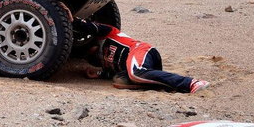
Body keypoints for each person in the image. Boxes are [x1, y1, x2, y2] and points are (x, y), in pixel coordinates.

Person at [79, 21, 209, 93]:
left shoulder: (110, 33)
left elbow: (89, 26)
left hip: (140, 50)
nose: (93, 53)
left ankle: (191, 82)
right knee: (119, 80)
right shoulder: (102, 62)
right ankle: (166, 85)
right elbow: (113, 71)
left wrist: (70, 19)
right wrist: (100, 74)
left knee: (136, 73)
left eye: (91, 50)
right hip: (137, 67)